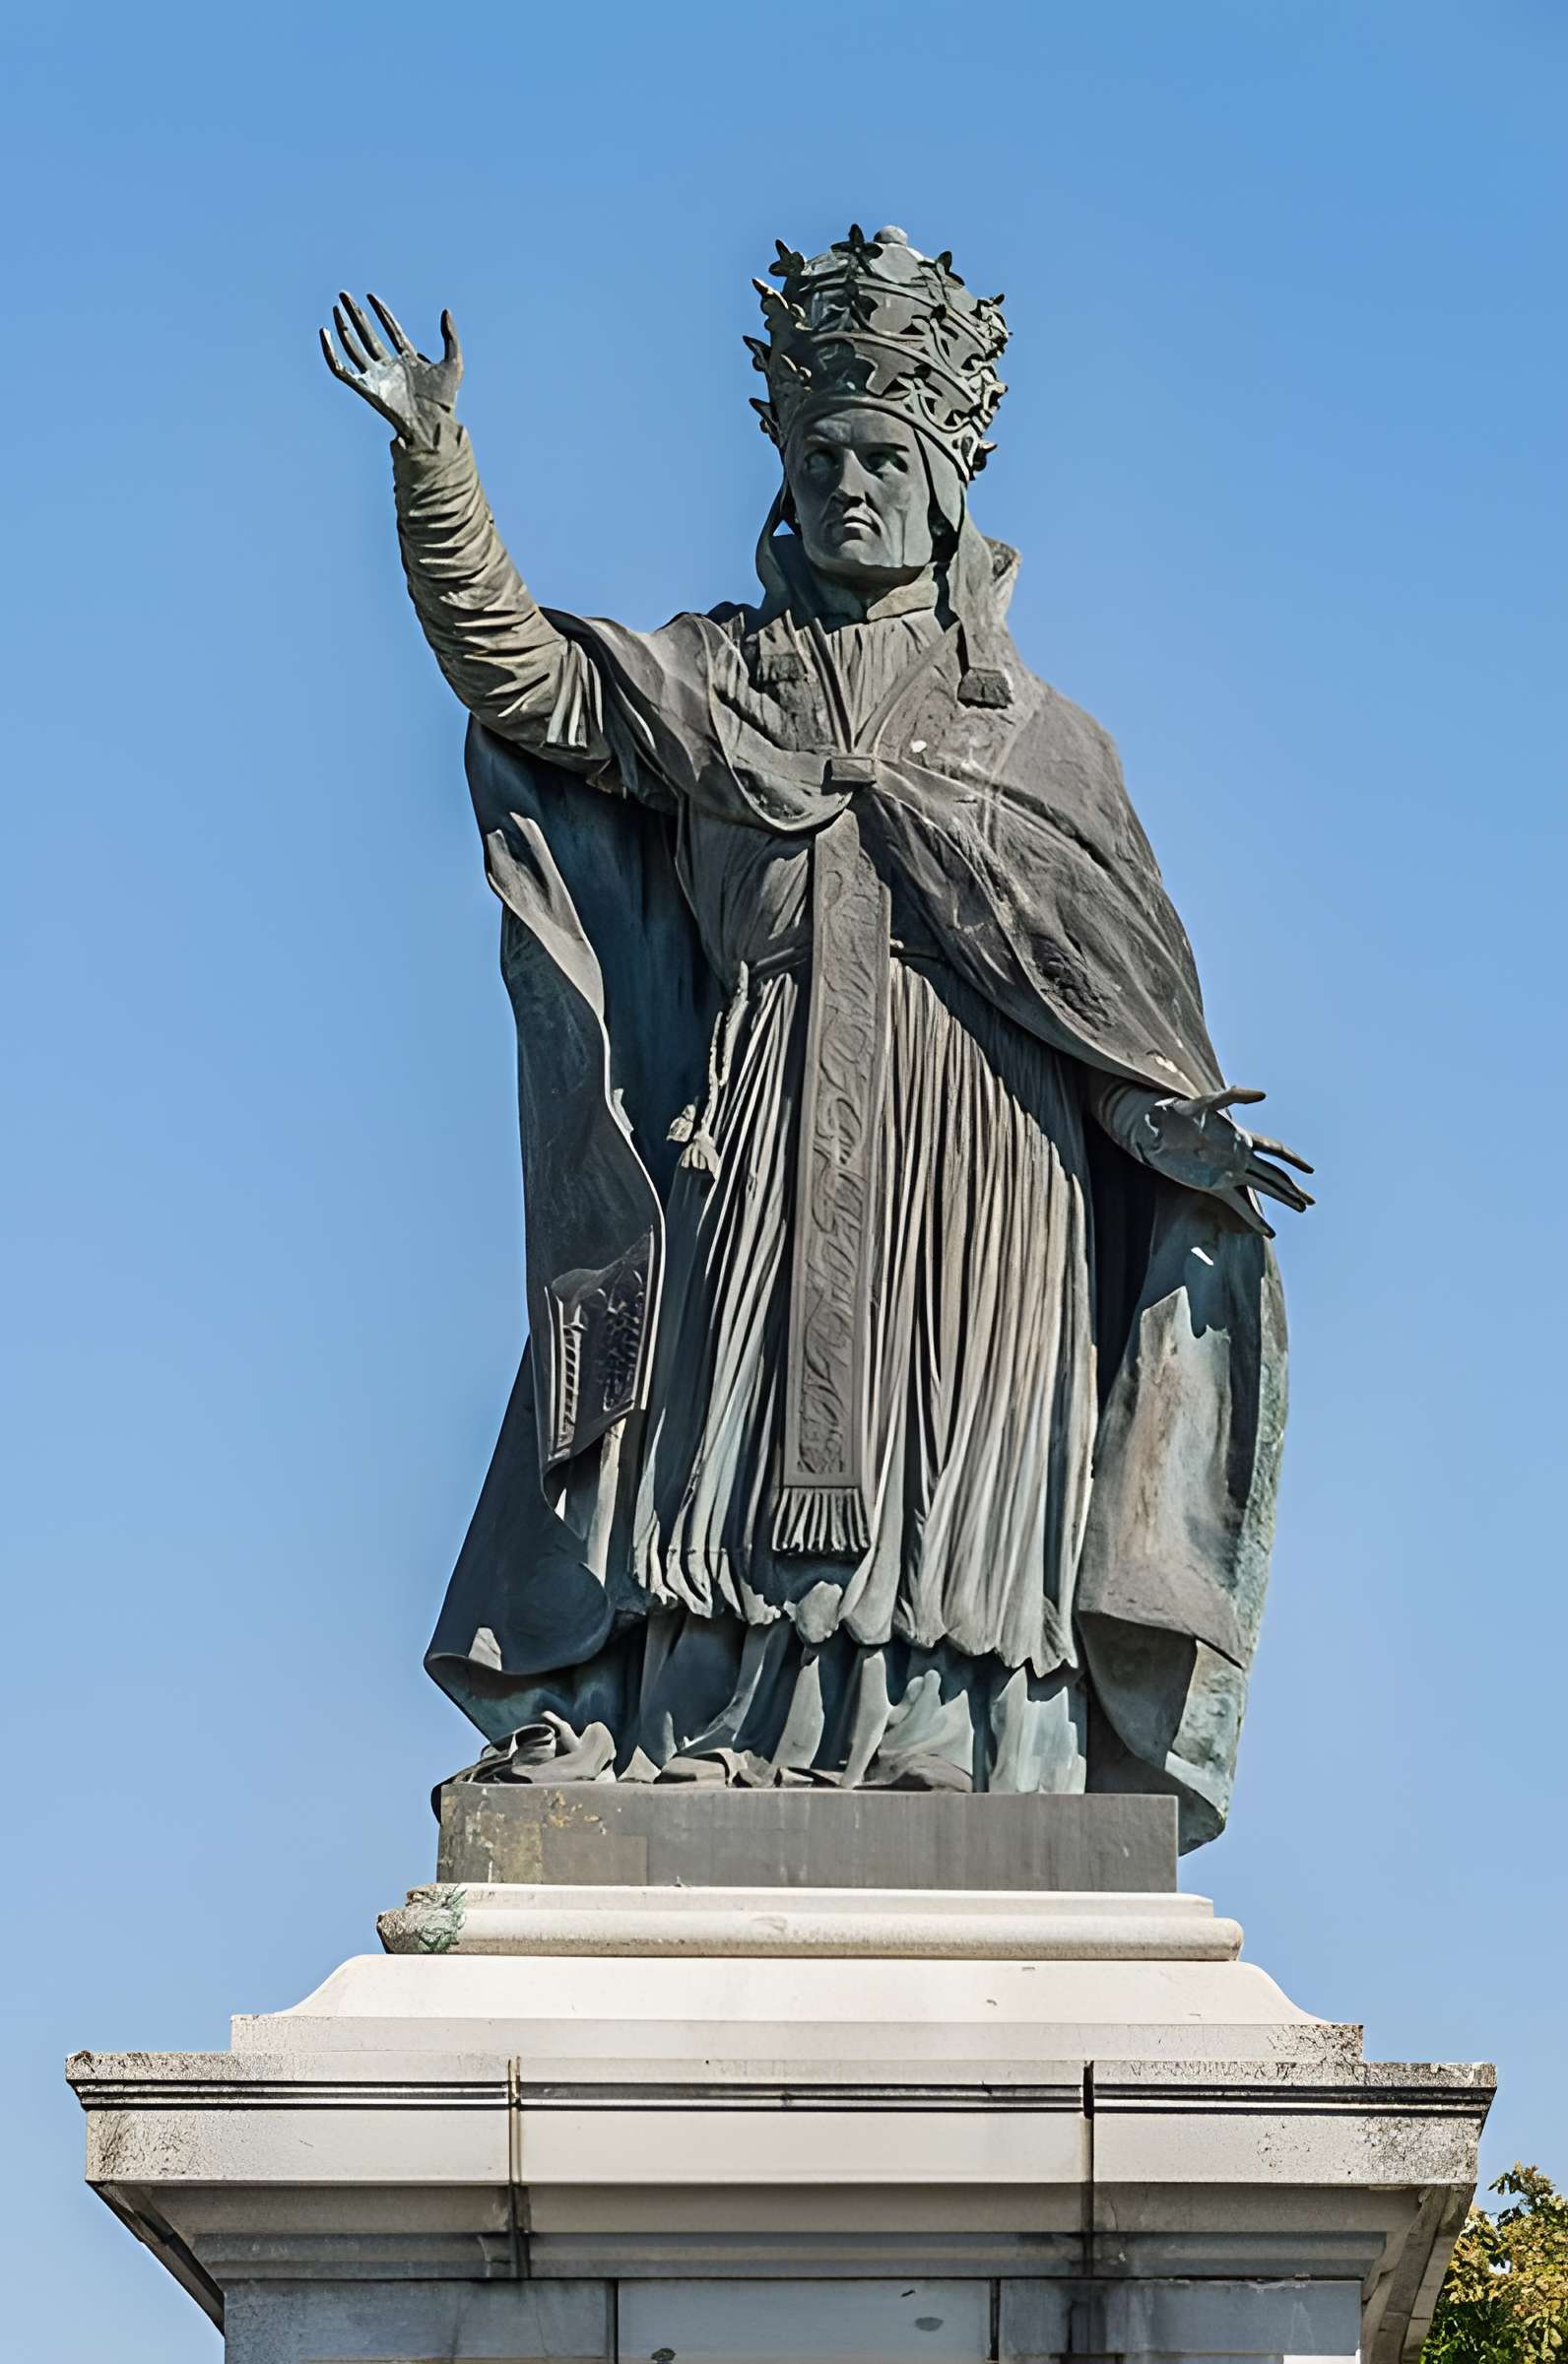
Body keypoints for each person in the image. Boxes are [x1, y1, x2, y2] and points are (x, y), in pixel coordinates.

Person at [322, 227, 1310, 1844]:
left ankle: (968, 1738)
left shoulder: (1045, 740)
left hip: (990, 1162)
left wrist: (1167, 1126)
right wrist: (437, 465)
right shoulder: (718, 678)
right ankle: (712, 1719)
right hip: (764, 1120)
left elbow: (1110, 992)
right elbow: (524, 678)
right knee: (720, 1424)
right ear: (787, 468)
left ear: (946, 485)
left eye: (886, 457)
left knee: (964, 1452)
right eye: (824, 454)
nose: (852, 485)